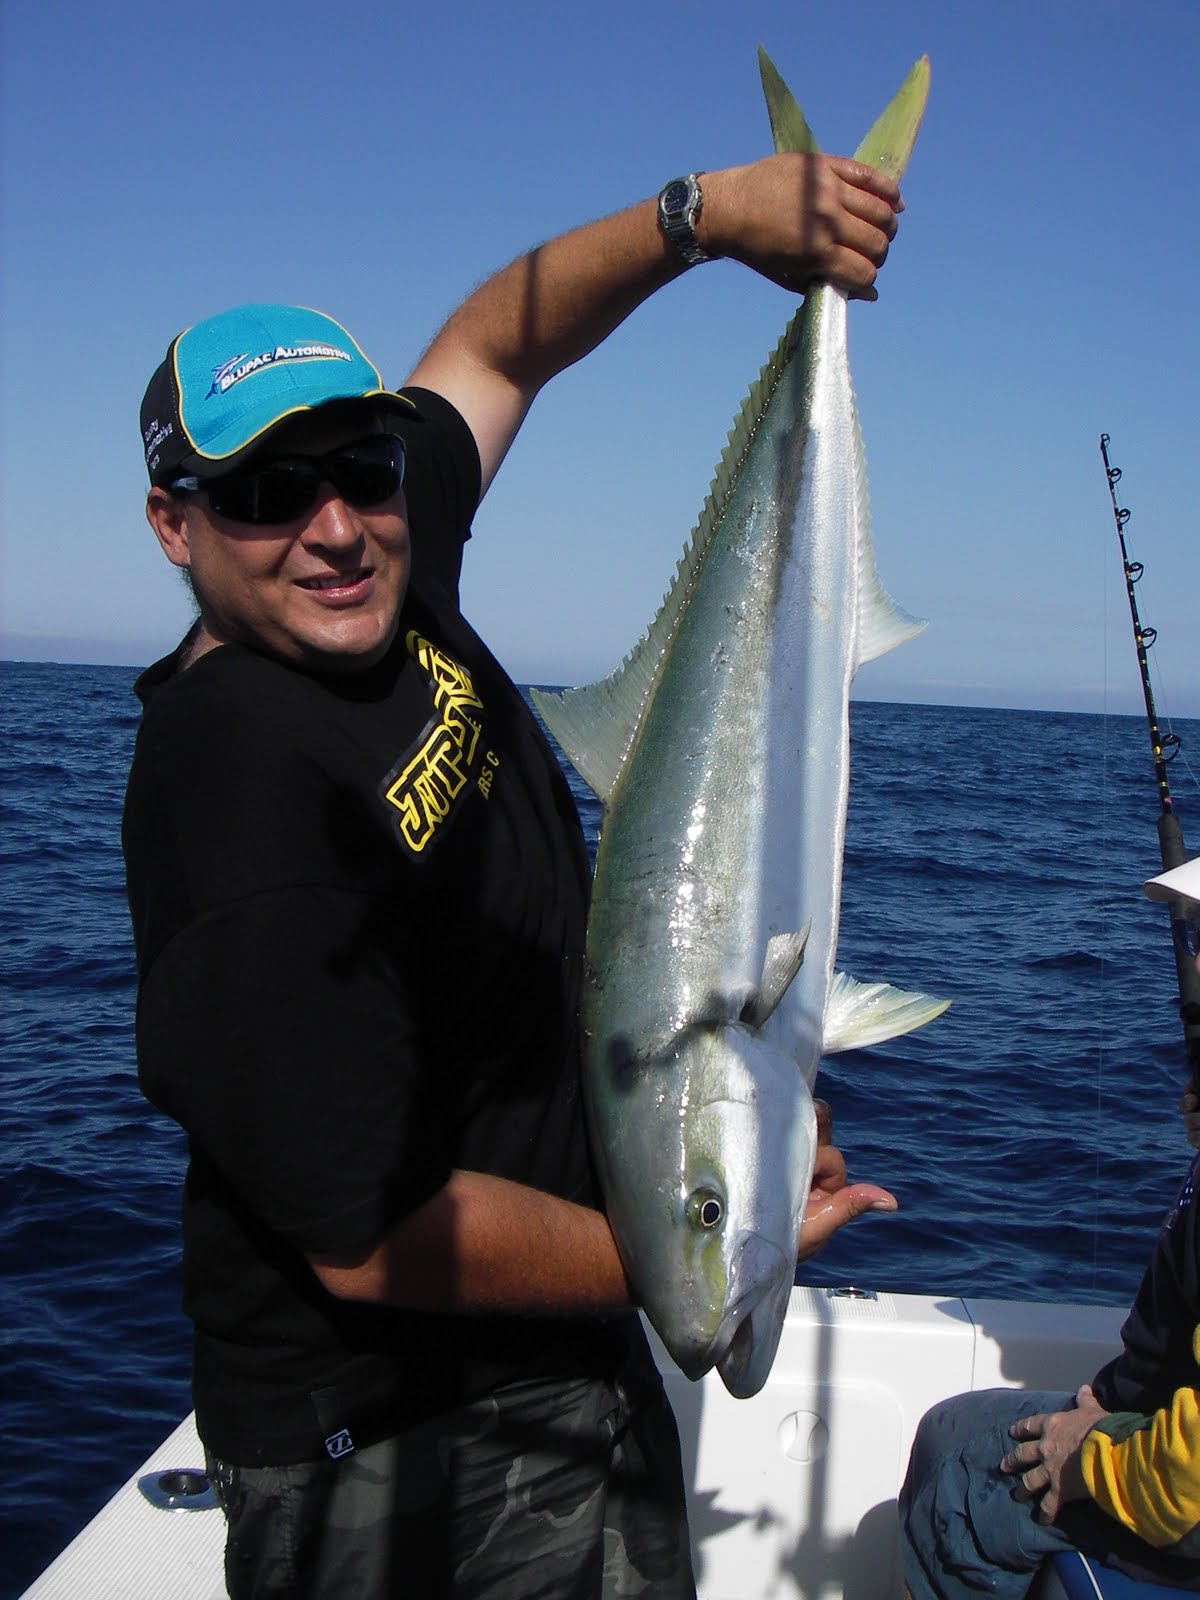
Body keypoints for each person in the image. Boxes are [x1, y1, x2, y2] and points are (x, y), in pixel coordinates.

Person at [124, 151, 906, 1600]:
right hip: (398, 1447)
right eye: (265, 495)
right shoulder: (232, 779)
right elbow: (369, 1236)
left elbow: (497, 342)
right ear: (174, 526)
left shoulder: (380, 571)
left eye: (360, 469)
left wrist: (702, 223)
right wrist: (694, 1253)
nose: (336, 525)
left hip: (568, 1347)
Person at [898, 855, 1200, 1599]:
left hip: (1180, 1483)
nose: (1195, 957)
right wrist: (1115, 1406)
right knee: (947, 1431)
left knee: (957, 1503)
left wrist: (1087, 1456)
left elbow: (1188, 1478)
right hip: (1161, 1418)